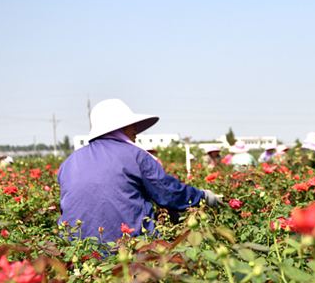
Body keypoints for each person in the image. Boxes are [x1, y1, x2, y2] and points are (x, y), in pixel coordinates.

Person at [58, 98, 223, 243]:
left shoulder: (69, 162)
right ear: (119, 128)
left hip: (79, 251)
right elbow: (168, 192)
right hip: (129, 248)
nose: (136, 130)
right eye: (131, 126)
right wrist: (202, 196)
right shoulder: (135, 156)